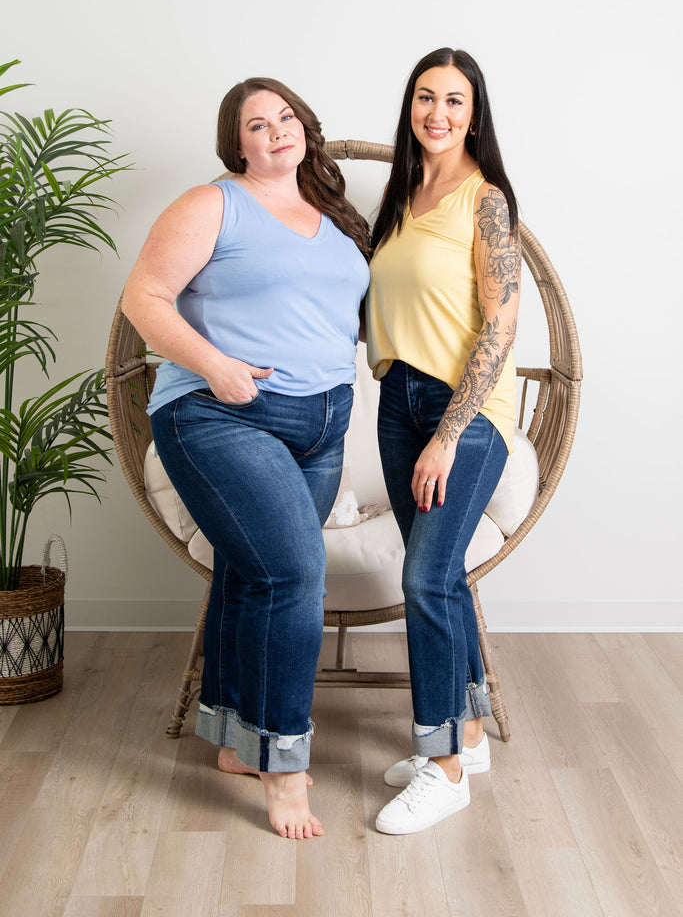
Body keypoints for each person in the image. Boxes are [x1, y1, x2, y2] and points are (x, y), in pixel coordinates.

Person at [122, 78, 370, 839]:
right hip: (220, 413)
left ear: (305, 127)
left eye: (286, 117)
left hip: (322, 425)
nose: (276, 131)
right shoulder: (212, 204)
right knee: (293, 577)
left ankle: (234, 738)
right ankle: (283, 765)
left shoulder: (333, 216)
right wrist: (218, 367)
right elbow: (144, 298)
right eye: (257, 124)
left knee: (251, 575)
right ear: (236, 143)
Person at [365, 48, 521, 834]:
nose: (438, 113)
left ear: (474, 114)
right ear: (411, 106)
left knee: (423, 579)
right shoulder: (401, 196)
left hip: (466, 410)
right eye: (426, 97)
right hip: (398, 399)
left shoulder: (484, 201)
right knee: (443, 576)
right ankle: (466, 734)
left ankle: (444, 768)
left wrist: (449, 433)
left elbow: (500, 324)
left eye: (454, 101)